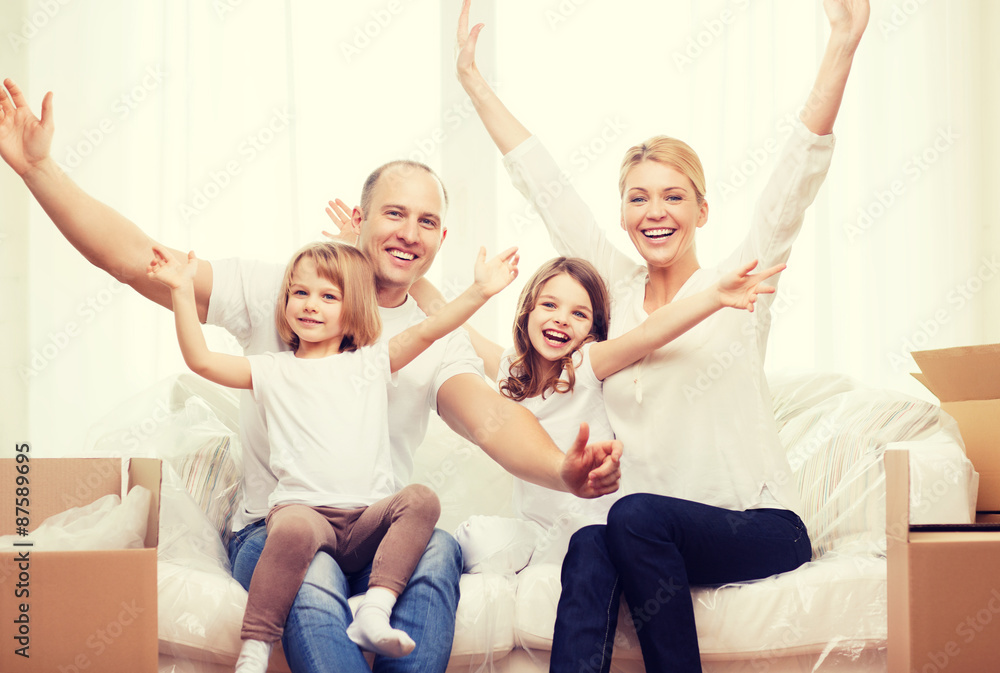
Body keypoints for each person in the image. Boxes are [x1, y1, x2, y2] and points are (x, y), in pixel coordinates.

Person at [0, 79, 622, 673]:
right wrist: (38, 169)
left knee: (437, 551)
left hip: (373, 526)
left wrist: (563, 472)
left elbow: (492, 419)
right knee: (313, 580)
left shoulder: (432, 341)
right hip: (281, 525)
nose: (408, 234)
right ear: (360, 217)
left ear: (441, 237)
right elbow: (138, 260)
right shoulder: (289, 290)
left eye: (427, 223)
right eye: (395, 214)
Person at [453, 0, 870, 670]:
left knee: (631, 515)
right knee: (593, 540)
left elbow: (797, 177)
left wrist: (842, 45)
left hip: (757, 526)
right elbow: (546, 185)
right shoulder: (609, 298)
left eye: (674, 196)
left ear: (703, 209)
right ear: (620, 213)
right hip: (645, 533)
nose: (656, 211)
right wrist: (474, 84)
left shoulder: (740, 285)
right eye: (639, 197)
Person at [147, 240, 518, 670]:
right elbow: (203, 362)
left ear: (354, 308)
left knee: (422, 500)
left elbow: (430, 330)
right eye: (299, 293)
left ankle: (374, 609)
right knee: (291, 530)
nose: (309, 305)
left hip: (365, 523)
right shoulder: (271, 368)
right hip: (305, 515)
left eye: (328, 296)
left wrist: (481, 291)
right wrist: (179, 289)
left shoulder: (371, 363)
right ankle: (255, 646)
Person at [399, 253, 784, 573]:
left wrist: (714, 296)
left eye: (578, 314)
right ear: (527, 312)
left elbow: (650, 332)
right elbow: (449, 321)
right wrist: (405, 269)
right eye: (549, 305)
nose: (561, 319)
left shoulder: (584, 365)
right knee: (471, 538)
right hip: (538, 534)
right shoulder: (510, 370)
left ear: (591, 330)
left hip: (595, 533)